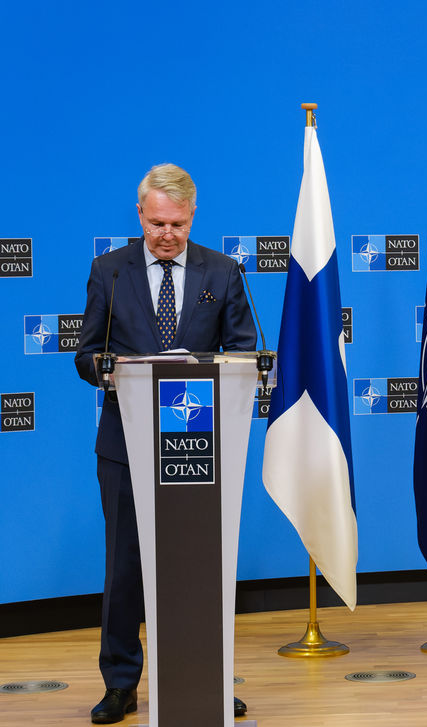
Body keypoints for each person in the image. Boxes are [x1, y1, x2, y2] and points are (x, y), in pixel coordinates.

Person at [74, 164, 256, 723]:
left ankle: (207, 679)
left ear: (192, 216)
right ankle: (121, 684)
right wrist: (115, 369)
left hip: (198, 451)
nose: (167, 235)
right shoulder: (109, 271)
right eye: (156, 224)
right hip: (125, 446)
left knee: (199, 568)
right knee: (124, 568)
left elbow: (245, 351)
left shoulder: (223, 272)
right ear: (140, 216)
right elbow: (86, 355)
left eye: (176, 224)